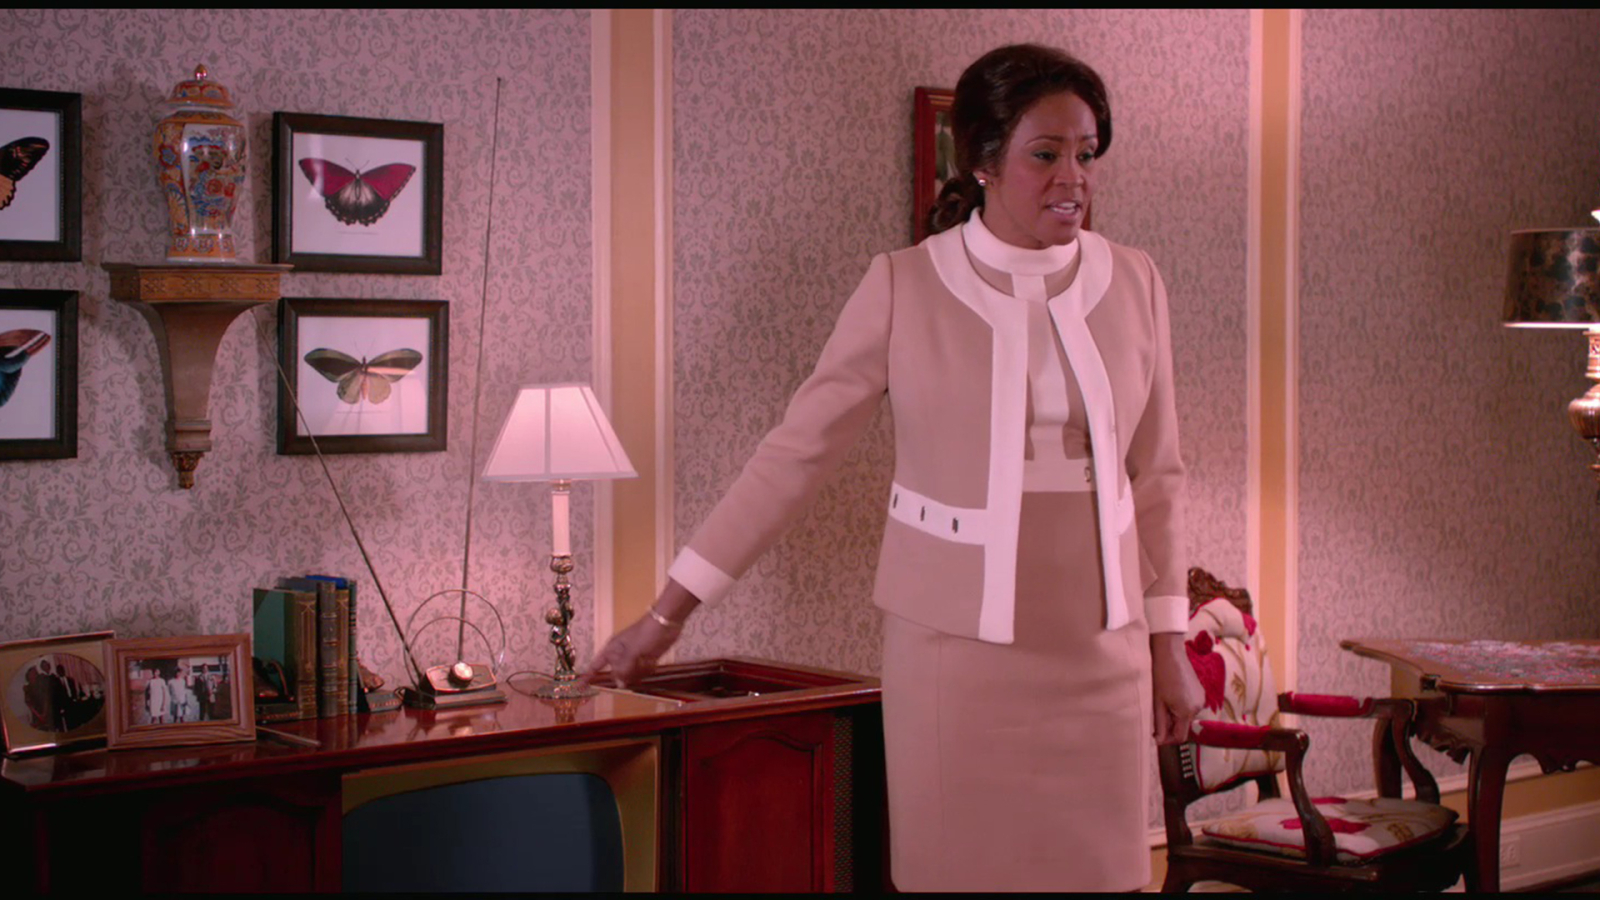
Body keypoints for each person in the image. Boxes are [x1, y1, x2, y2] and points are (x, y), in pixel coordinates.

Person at [582, 43, 1203, 892]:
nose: (1073, 179)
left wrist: (1170, 646)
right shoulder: (904, 285)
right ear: (983, 161)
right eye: (1046, 154)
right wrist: (667, 614)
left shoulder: (1136, 281)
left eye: (1087, 153)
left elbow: (1159, 476)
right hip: (955, 661)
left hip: (1106, 656)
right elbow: (792, 458)